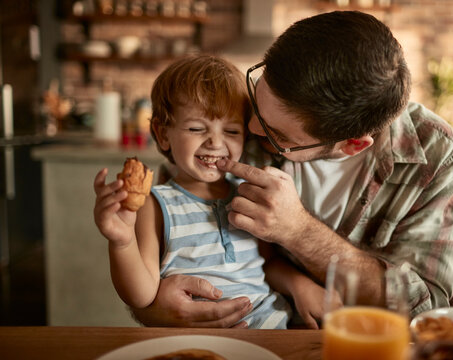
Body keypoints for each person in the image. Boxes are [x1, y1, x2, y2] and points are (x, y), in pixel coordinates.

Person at [132, 10, 453, 328]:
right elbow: (172, 240)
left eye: (278, 136)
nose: (250, 127)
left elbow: (424, 308)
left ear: (352, 144)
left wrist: (298, 232)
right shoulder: (234, 114)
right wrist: (153, 306)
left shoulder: (435, 156)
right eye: (258, 98)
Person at [93, 54, 326, 329]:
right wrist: (121, 242)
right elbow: (141, 295)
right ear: (163, 133)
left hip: (271, 329)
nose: (216, 142)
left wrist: (300, 286)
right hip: (201, 340)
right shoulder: (154, 205)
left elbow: (266, 264)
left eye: (231, 131)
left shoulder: (248, 196)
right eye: (196, 128)